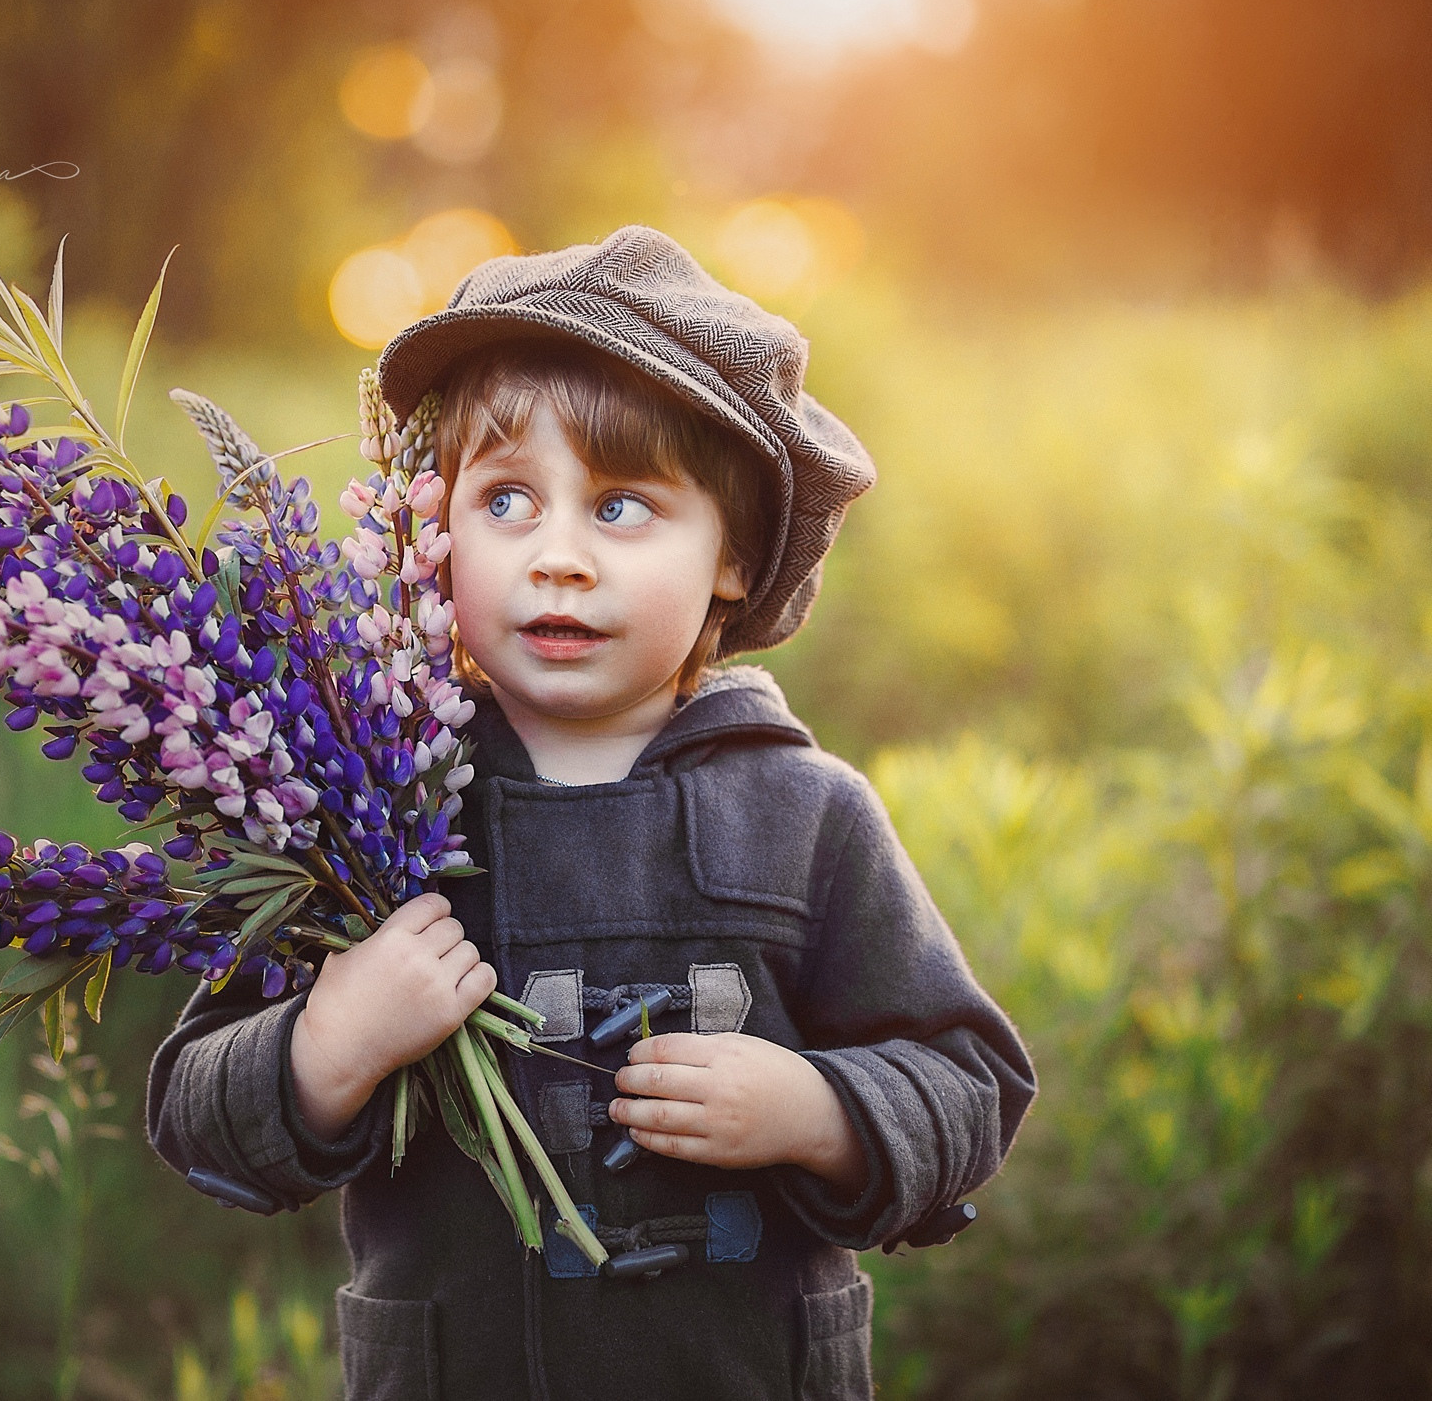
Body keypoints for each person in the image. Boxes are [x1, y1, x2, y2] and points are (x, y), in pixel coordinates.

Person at [144, 224, 1036, 1400]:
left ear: (733, 554)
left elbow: (969, 1080)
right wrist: (327, 1045)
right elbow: (196, 1112)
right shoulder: (362, 817)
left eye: (621, 508)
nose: (557, 556)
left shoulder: (804, 813)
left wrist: (816, 1110)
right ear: (434, 527)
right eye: (506, 499)